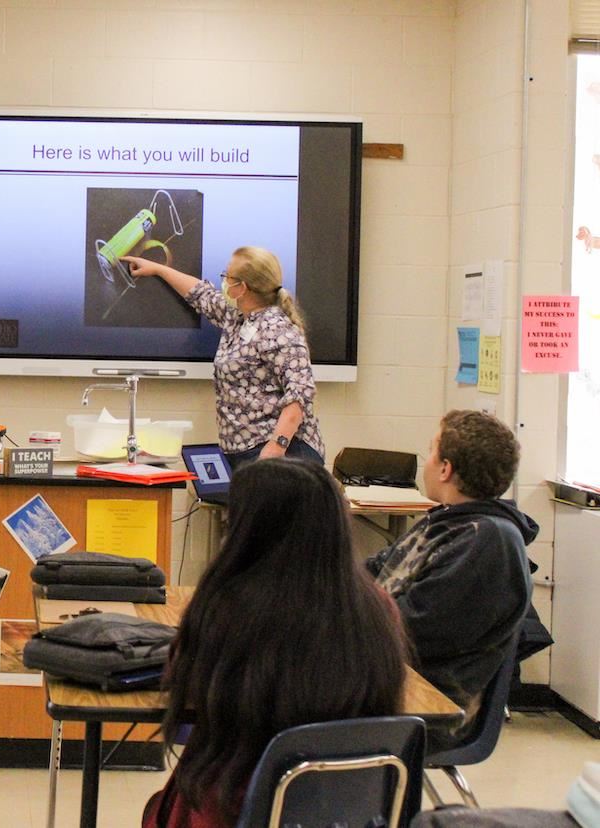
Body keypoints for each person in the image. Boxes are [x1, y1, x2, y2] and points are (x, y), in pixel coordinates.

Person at [145, 459, 409, 827]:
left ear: (250, 528)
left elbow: (184, 685)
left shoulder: (227, 604)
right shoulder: (377, 609)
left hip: (237, 803)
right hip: (347, 809)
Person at [366, 410, 535, 748]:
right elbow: (371, 571)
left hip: (431, 706)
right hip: (394, 679)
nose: (425, 462)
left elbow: (412, 630)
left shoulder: (486, 542)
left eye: (431, 451)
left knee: (274, 699)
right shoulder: (449, 522)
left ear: (445, 469)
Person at [123, 247, 324, 470]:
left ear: (242, 288)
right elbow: (201, 294)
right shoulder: (237, 318)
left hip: (281, 456)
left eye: (227, 277)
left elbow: (299, 396)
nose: (224, 282)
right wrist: (158, 269)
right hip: (244, 451)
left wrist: (276, 448)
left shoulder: (281, 331)